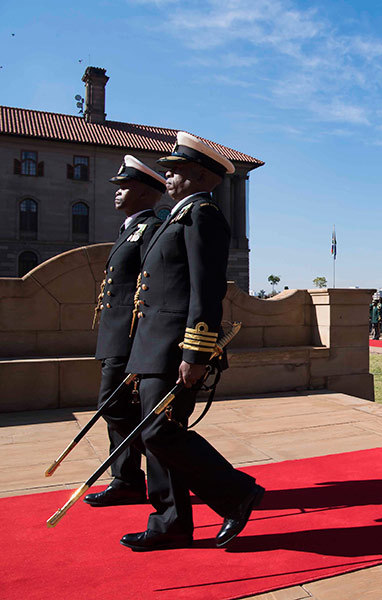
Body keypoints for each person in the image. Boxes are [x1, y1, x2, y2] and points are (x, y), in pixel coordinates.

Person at [123, 132, 264, 551]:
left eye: (176, 170)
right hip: (153, 346)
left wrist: (195, 352)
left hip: (175, 349)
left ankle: (236, 493)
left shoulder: (202, 215)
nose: (167, 176)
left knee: (159, 433)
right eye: (168, 169)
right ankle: (170, 522)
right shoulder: (176, 217)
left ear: (200, 175)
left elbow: (205, 291)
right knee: (156, 434)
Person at [83, 156, 165, 508]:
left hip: (131, 336)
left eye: (125, 187)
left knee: (114, 405)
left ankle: (177, 459)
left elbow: (155, 285)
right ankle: (127, 478)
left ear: (147, 194)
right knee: (116, 409)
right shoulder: (129, 228)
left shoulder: (150, 229)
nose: (117, 193)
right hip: (115, 333)